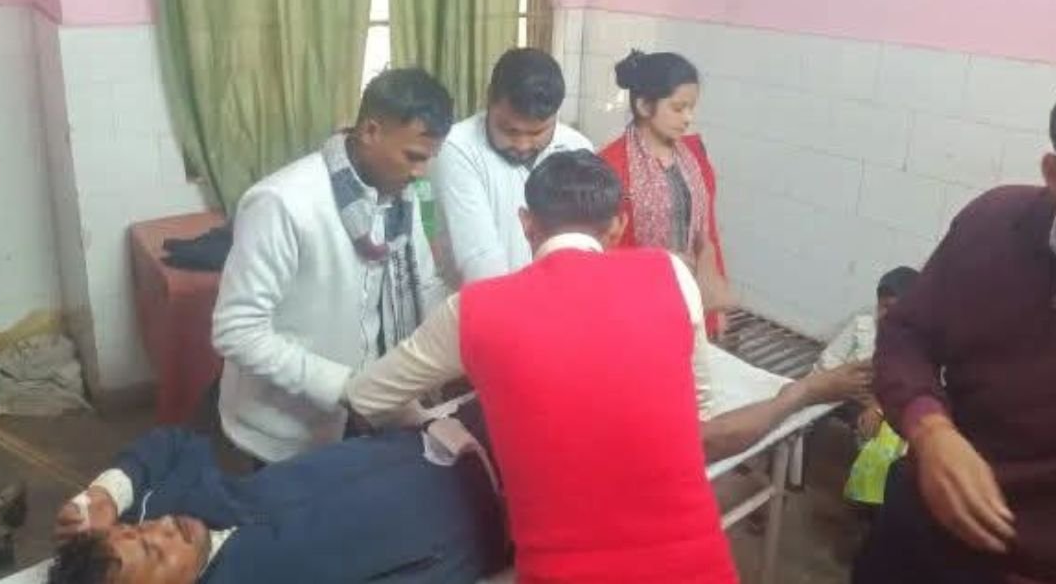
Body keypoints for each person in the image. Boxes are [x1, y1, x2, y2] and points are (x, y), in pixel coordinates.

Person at [347, 150, 864, 581]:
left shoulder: (473, 309)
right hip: (695, 566)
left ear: (526, 223)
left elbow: (366, 396)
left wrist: (432, 423)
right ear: (617, 226)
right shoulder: (669, 274)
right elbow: (699, 422)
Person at [854, 103, 1056, 584]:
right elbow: (906, 334)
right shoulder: (994, 223)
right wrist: (930, 429)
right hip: (920, 526)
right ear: (1052, 174)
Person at [212, 68, 451, 464]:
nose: (420, 172)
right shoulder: (283, 202)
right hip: (279, 434)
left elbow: (425, 286)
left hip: (367, 420)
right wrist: (345, 388)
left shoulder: (406, 199)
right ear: (371, 131)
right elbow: (236, 331)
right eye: (413, 156)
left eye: (430, 158)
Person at [46, 416, 507, 584]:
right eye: (154, 552)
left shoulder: (180, 506)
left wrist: (109, 492)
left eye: (140, 530)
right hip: (493, 511)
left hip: (439, 437)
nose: (165, 527)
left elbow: (174, 445)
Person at [430, 47, 592, 285]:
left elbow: (583, 245)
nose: (522, 145)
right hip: (483, 300)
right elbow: (480, 261)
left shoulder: (577, 148)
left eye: (536, 133)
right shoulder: (457, 148)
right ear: (489, 100)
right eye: (509, 130)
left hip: (558, 299)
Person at [598, 50, 731, 333]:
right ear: (644, 106)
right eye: (678, 108)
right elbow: (602, 249)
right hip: (636, 303)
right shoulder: (610, 165)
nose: (688, 118)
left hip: (690, 298)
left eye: (691, 108)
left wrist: (715, 303)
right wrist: (657, 264)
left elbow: (708, 232)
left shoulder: (694, 156)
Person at [814, 266, 918, 509]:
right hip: (843, 392)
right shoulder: (862, 326)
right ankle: (791, 477)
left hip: (883, 404)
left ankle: (870, 503)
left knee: (892, 441)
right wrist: (842, 383)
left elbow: (910, 388)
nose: (886, 315)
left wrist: (878, 407)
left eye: (896, 309)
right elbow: (828, 361)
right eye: (883, 307)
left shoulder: (916, 342)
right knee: (806, 415)